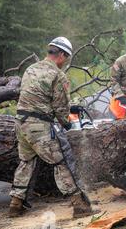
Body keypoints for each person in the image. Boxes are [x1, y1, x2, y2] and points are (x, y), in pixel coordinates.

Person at [9, 37, 93, 219]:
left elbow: (37, 98)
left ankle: (15, 205)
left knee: (26, 162)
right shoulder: (58, 75)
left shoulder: (31, 69)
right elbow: (60, 107)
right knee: (62, 162)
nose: (66, 62)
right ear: (61, 55)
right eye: (67, 58)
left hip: (20, 123)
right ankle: (80, 205)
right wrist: (67, 123)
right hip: (39, 126)